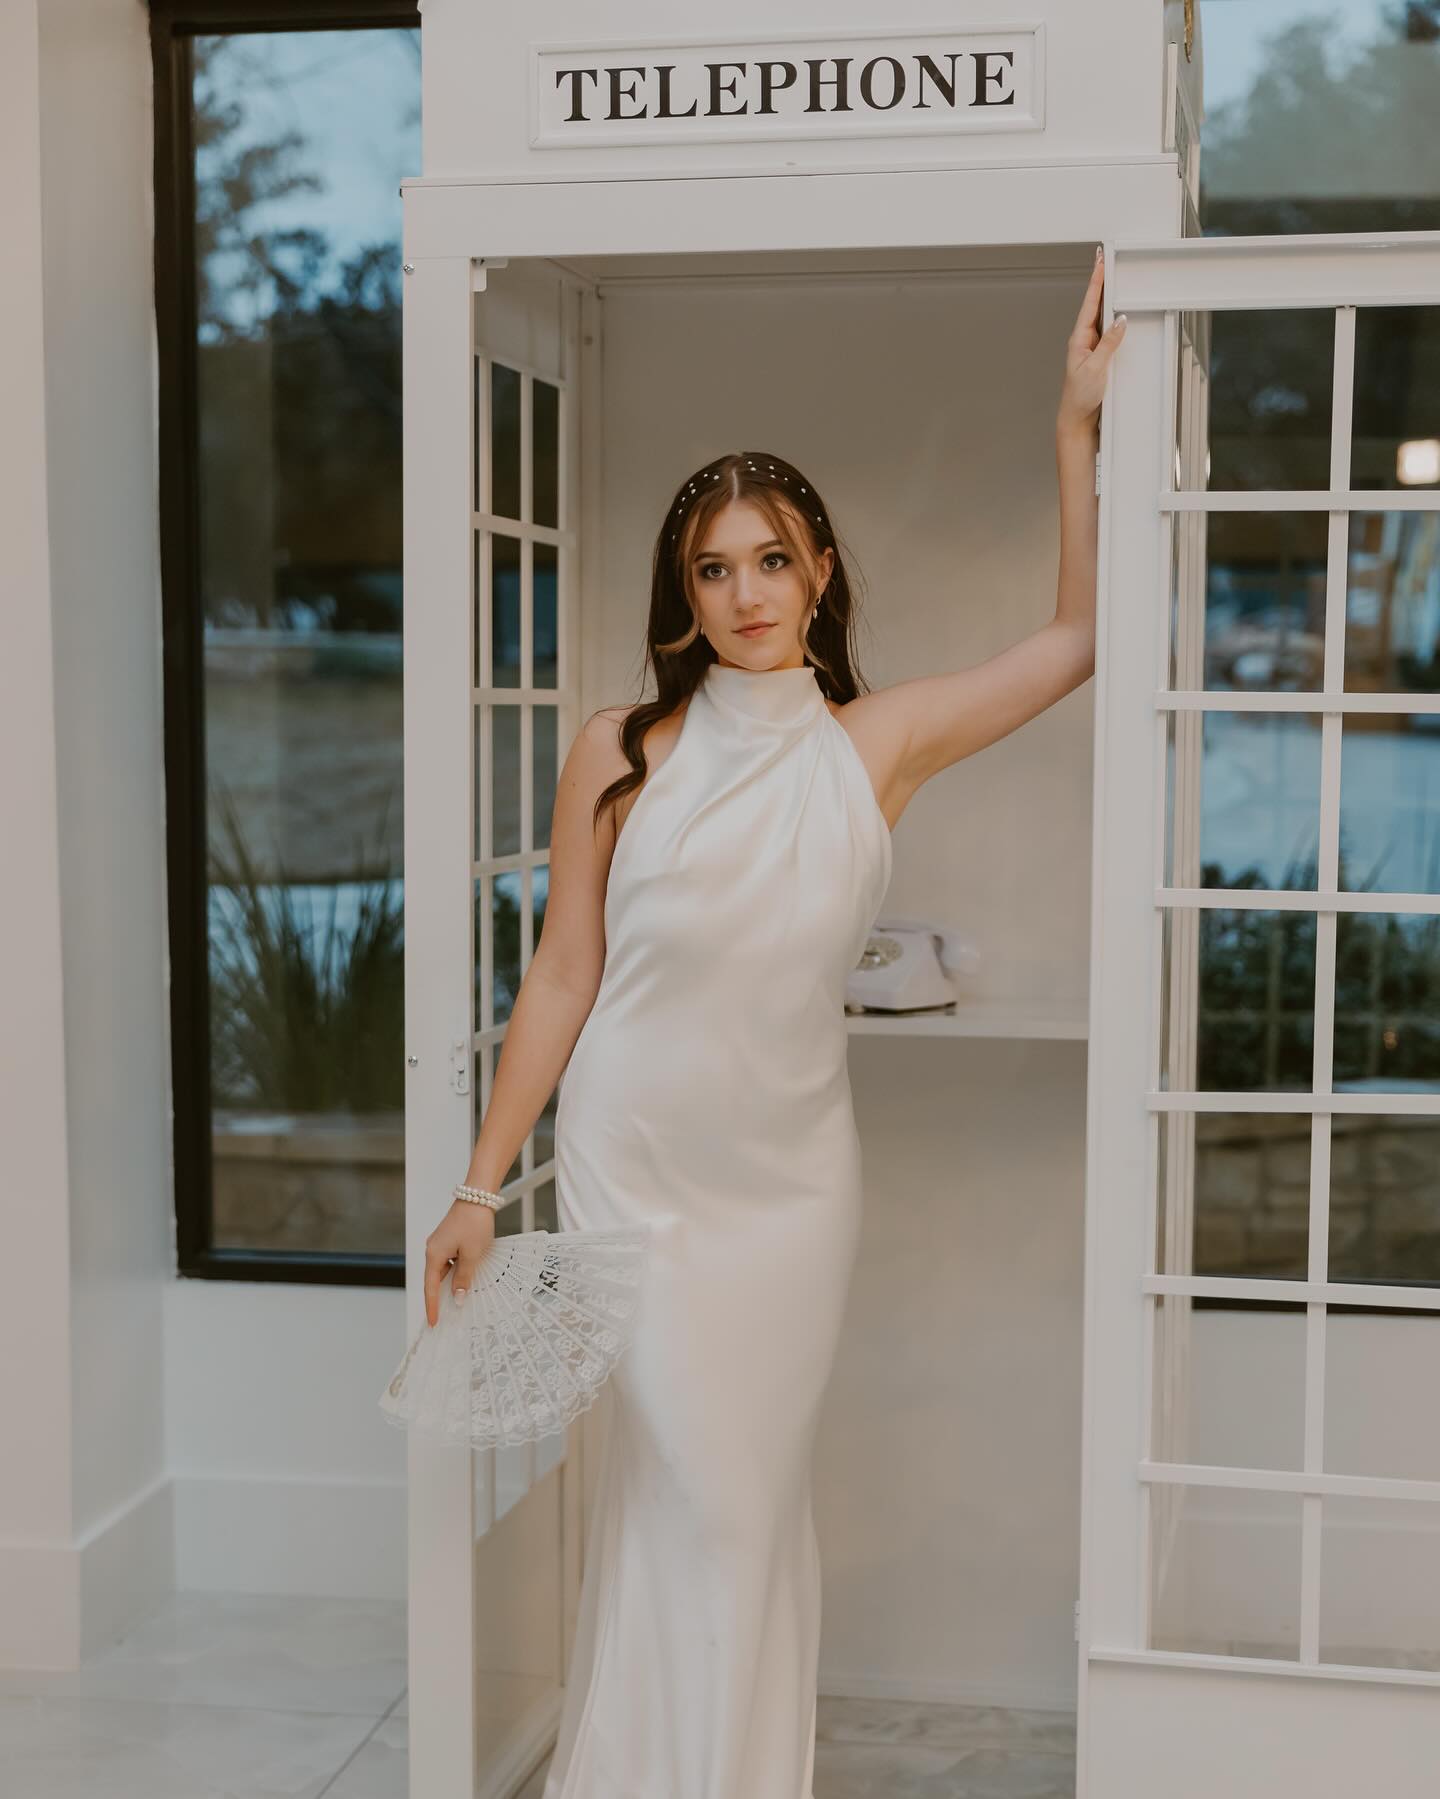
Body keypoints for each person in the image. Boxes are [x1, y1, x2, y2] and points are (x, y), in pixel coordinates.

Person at [423, 255, 1125, 1798]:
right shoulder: (618, 749)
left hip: (789, 1193)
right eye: (714, 570)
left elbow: (1080, 641)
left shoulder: (877, 745)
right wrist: (480, 1183)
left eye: (771, 562)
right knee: (686, 1494)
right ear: (684, 595)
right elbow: (563, 976)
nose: (745, 594)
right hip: (632, 1167)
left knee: (739, 1507)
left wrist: (1072, 430)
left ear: (820, 576)